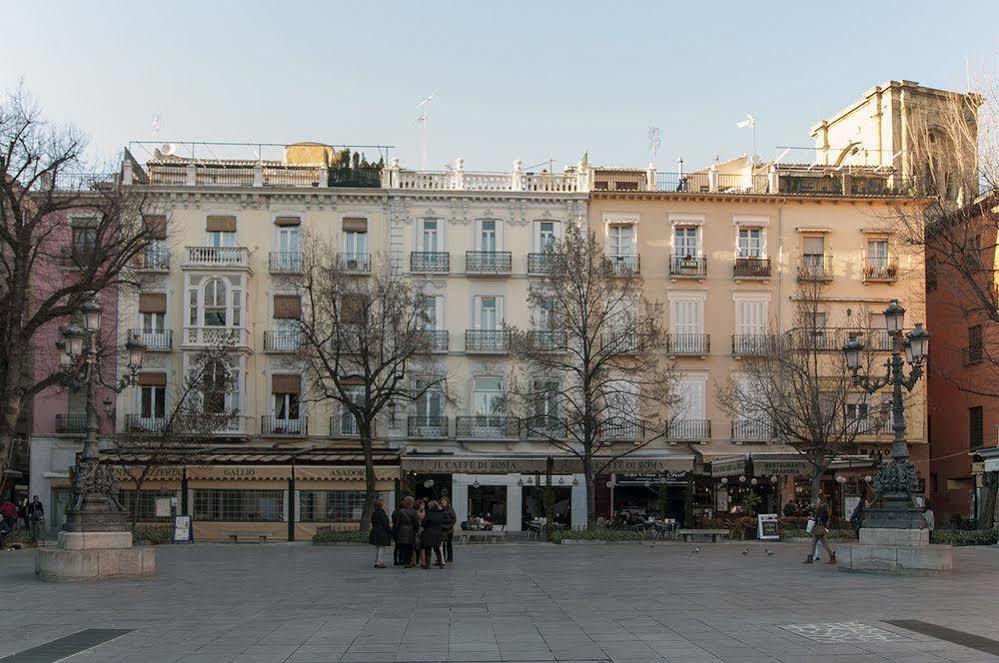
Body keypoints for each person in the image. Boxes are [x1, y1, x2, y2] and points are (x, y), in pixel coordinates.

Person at [803, 496, 836, 565]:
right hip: (820, 528)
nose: (817, 501)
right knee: (820, 543)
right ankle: (832, 557)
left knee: (817, 543)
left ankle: (811, 558)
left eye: (818, 500)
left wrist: (815, 517)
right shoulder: (824, 508)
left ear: (821, 500)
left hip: (818, 528)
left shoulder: (821, 508)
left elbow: (818, 517)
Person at [420, 500, 447, 569]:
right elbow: (445, 521)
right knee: (437, 549)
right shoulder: (441, 513)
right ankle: (441, 564)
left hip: (428, 533)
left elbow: (423, 523)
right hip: (438, 533)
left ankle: (428, 565)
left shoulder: (429, 513)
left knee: (428, 549)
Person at [368, 498, 392, 569]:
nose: (384, 505)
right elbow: (385, 523)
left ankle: (377, 561)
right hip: (381, 532)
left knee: (378, 547)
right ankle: (379, 562)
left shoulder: (374, 513)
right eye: (383, 504)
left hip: (375, 531)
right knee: (381, 547)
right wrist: (390, 532)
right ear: (381, 505)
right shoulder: (381, 513)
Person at [440, 497, 456, 564]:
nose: (443, 503)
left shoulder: (450, 509)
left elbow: (454, 519)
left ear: (447, 502)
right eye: (442, 502)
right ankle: (442, 557)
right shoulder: (440, 509)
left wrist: (449, 526)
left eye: (444, 502)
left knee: (449, 544)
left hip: (449, 529)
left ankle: (450, 558)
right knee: (442, 544)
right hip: (442, 529)